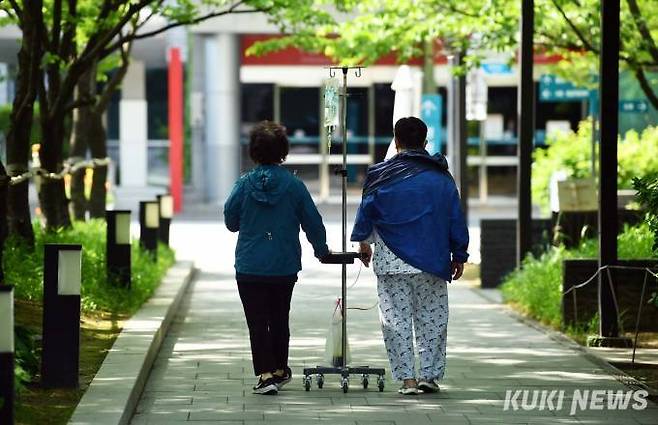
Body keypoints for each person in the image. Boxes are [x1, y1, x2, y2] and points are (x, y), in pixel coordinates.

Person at [351, 117, 469, 395]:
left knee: (396, 321)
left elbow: (366, 212)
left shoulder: (380, 174)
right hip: (432, 259)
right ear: (425, 142)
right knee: (433, 319)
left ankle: (408, 381)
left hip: (391, 261)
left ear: (396, 142)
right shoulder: (441, 177)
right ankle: (429, 375)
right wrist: (459, 253)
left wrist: (363, 243)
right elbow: (455, 217)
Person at [224, 121, 330, 395]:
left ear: (254, 152)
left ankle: (266, 375)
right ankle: (281, 369)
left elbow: (231, 221)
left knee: (257, 321)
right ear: (283, 151)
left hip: (249, 265)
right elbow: (313, 222)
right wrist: (321, 250)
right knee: (279, 317)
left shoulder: (243, 184)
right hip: (283, 265)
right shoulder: (294, 186)